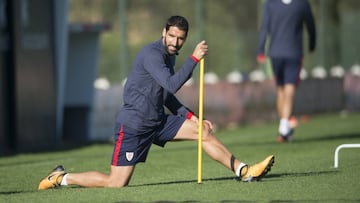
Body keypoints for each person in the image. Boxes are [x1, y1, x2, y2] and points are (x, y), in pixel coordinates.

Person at [38, 15, 274, 190]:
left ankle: (243, 171)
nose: (175, 41)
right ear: (163, 32)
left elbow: (167, 96)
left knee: (202, 130)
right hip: (133, 126)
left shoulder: (169, 57)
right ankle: (61, 177)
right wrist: (193, 59)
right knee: (116, 183)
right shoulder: (152, 55)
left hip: (158, 121)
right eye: (171, 36)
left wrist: (192, 116)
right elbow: (171, 84)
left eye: (180, 38)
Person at [257, 0, 316, 143]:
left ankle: (285, 128)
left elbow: (265, 28)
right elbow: (311, 25)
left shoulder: (271, 4)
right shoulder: (301, 3)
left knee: (281, 90)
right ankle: (284, 127)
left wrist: (260, 50)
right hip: (294, 53)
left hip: (275, 54)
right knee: (289, 89)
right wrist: (312, 44)